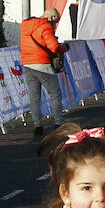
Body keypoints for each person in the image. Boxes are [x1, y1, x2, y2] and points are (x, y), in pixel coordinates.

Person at [21, 7, 69, 139]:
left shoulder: (25, 26)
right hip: (42, 64)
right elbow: (53, 46)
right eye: (55, 22)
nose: (54, 26)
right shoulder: (45, 27)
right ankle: (58, 123)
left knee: (35, 98)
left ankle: (38, 126)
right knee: (55, 94)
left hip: (27, 64)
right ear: (51, 17)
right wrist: (64, 48)